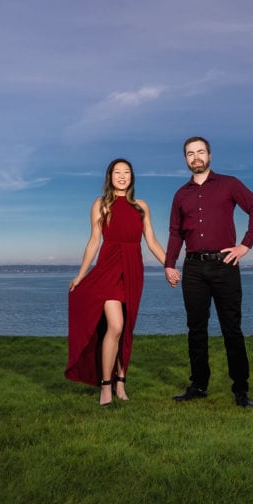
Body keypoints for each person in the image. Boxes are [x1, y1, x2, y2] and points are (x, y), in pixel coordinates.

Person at [165, 137, 253, 407]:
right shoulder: (180, 195)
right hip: (194, 268)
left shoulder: (229, 184)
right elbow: (175, 233)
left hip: (225, 264)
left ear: (209, 155)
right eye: (190, 154)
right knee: (196, 329)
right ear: (186, 159)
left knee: (231, 328)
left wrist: (245, 245)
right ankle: (198, 386)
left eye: (200, 152)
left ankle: (241, 391)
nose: (195, 157)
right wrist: (168, 263)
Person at [66, 158, 168, 405]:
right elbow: (94, 241)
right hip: (108, 269)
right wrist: (81, 274)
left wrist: (170, 265)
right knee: (115, 326)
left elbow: (152, 241)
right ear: (109, 176)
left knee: (127, 328)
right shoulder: (101, 204)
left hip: (133, 270)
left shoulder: (141, 206)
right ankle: (105, 386)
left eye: (127, 172)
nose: (122, 176)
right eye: (117, 172)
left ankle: (121, 383)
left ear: (132, 177)